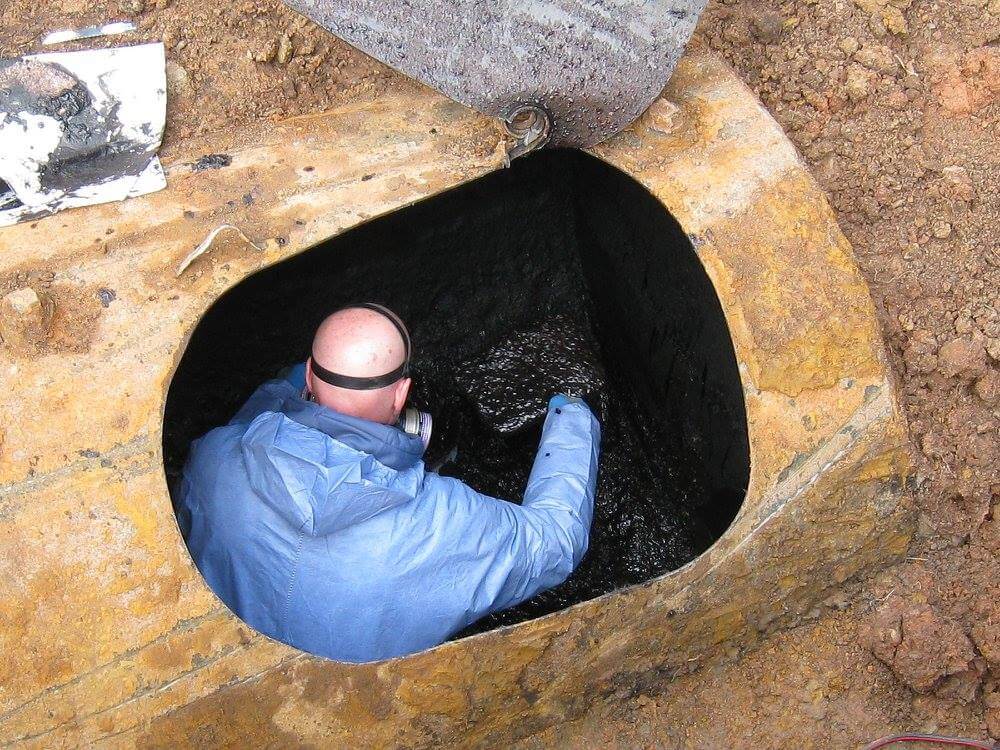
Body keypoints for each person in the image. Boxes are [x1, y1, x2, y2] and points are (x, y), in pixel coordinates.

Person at [176, 303, 601, 663]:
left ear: (309, 377)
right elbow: (558, 541)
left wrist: (284, 390)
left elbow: (251, 425)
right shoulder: (442, 524)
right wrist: (574, 418)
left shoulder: (214, 458)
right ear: (402, 396)